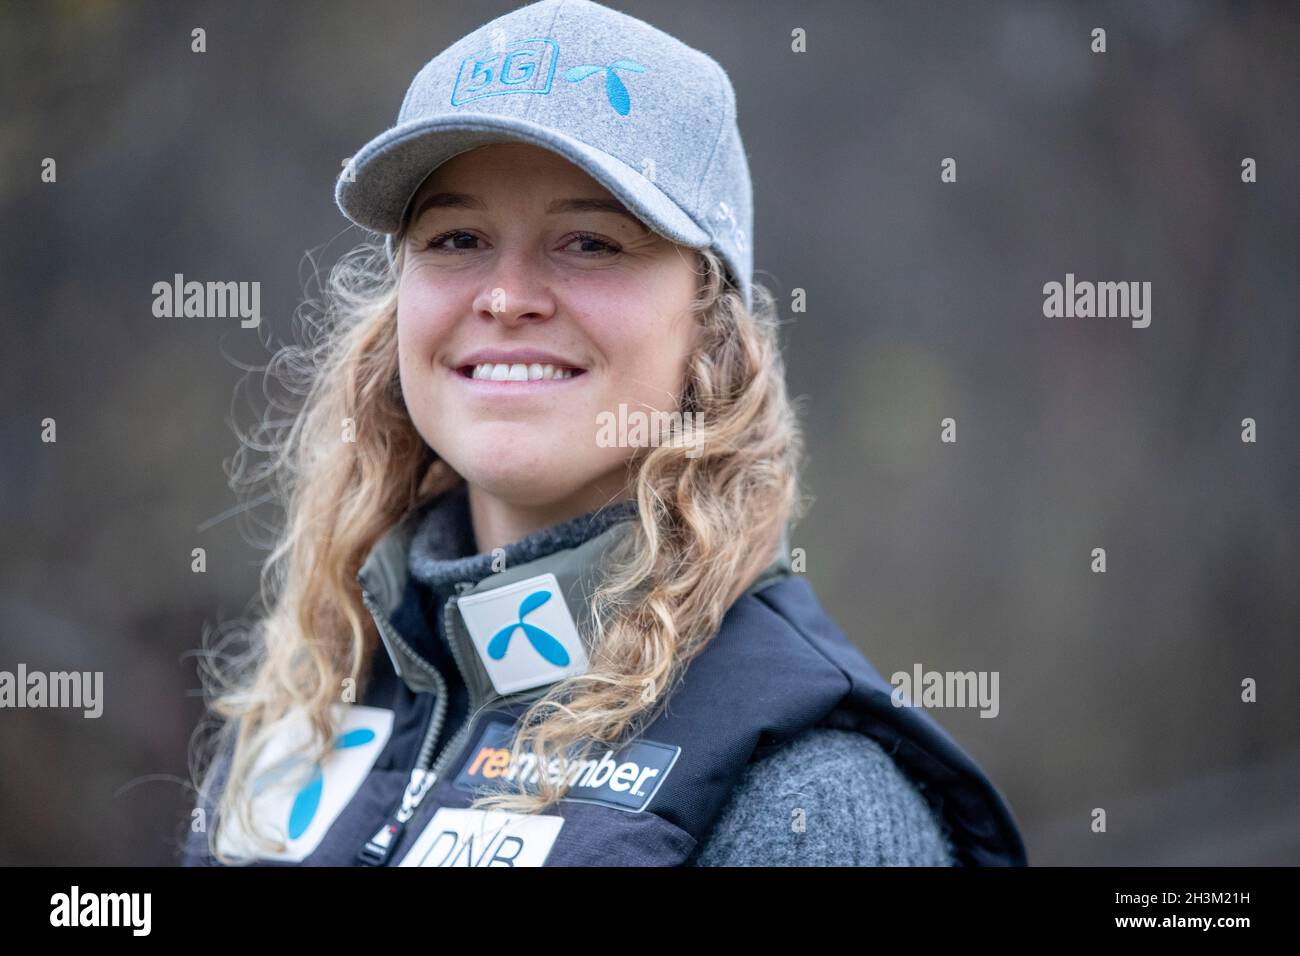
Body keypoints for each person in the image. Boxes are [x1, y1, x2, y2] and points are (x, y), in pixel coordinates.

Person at [182, 0, 1026, 867]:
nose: (506, 296)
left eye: (589, 243)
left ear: (711, 326)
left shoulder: (813, 802)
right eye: (457, 236)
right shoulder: (305, 704)